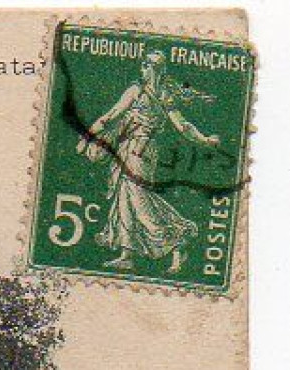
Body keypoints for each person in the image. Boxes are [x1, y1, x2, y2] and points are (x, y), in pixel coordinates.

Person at [76, 50, 219, 274]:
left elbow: (183, 126)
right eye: (143, 63)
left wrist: (205, 139)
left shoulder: (161, 95)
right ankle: (127, 255)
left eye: (147, 64)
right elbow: (111, 115)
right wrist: (88, 135)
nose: (142, 67)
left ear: (156, 69)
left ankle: (178, 240)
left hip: (141, 152)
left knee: (139, 198)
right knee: (124, 197)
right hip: (128, 148)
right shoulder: (142, 91)